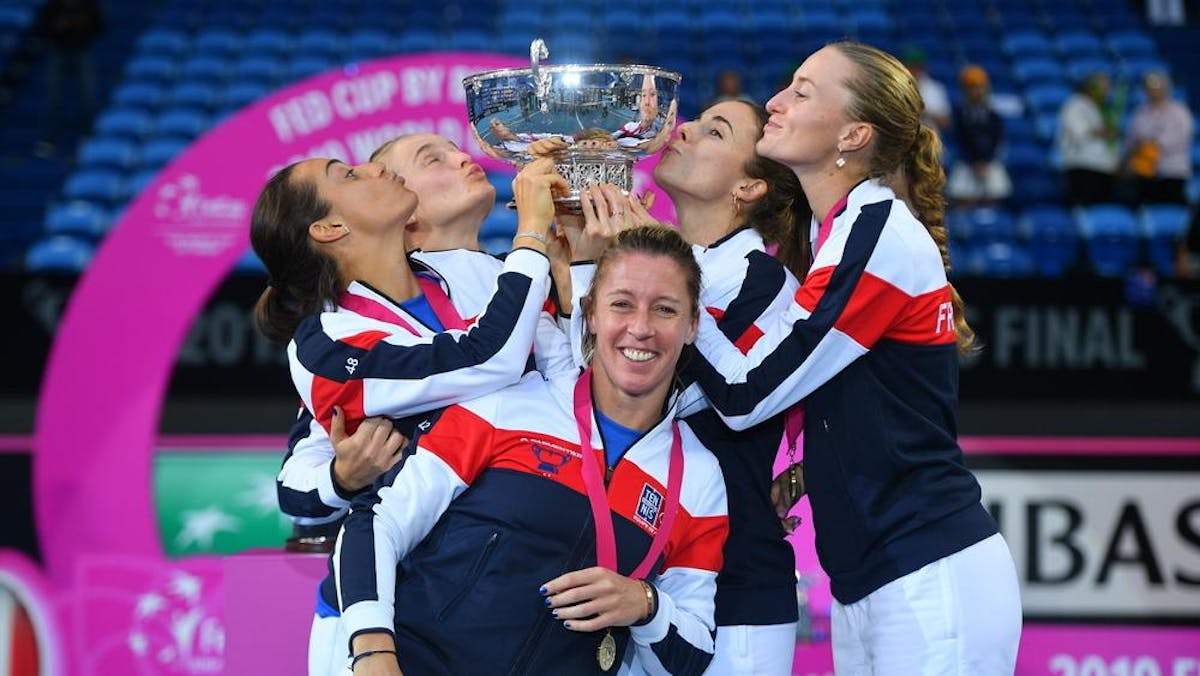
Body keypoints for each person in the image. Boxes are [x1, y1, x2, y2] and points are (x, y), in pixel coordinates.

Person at [681, 41, 1022, 673]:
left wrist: (668, 297)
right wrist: (821, 461)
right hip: (872, 579)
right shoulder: (840, 230)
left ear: (855, 133)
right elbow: (879, 390)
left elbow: (747, 394)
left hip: (926, 574)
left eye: (804, 91)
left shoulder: (876, 230)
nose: (777, 101)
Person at [335, 225, 729, 675]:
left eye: (664, 309)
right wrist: (373, 651)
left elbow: (691, 656)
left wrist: (647, 605)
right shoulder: (507, 406)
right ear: (591, 314)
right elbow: (376, 523)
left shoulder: (699, 476)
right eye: (621, 304)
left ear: (692, 325)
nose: (640, 328)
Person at [274, 139, 575, 537]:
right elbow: (488, 356)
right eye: (433, 160)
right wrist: (341, 477)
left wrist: (573, 280)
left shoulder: (502, 275)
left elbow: (574, 392)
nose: (464, 158)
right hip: (432, 555)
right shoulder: (335, 335)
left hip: (540, 519)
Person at [33, 0, 104, 156]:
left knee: (88, 95)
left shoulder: (88, 5)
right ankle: (49, 139)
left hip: (82, 50)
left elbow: (101, 27)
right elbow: (40, 29)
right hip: (57, 51)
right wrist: (57, 27)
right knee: (52, 97)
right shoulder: (53, 6)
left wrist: (83, 27)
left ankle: (88, 135)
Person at [1123, 71, 1195, 206]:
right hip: (1145, 173)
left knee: (1173, 210)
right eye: (1150, 89)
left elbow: (1182, 138)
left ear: (1166, 88)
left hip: (1172, 171)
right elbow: (1132, 140)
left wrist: (1153, 145)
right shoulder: (1141, 113)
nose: (1154, 92)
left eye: (1158, 88)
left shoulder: (1179, 111)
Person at [947, 65, 1012, 206]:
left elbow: (997, 141)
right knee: (962, 196)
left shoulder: (993, 116)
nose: (976, 92)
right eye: (972, 88)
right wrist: (974, 162)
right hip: (967, 162)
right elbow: (959, 140)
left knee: (996, 192)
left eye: (979, 87)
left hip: (989, 161)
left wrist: (985, 162)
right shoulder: (960, 115)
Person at [1058, 71, 1120, 205]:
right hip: (1083, 167)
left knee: (1103, 211)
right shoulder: (1075, 105)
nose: (1106, 91)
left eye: (1108, 87)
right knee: (1085, 209)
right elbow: (1079, 132)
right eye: (1103, 87)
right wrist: (1103, 132)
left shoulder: (1102, 109)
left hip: (1104, 168)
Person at [900, 45, 950, 131]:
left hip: (930, 140)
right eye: (911, 66)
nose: (914, 70)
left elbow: (946, 122)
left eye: (917, 66)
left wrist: (924, 113)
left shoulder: (935, 89)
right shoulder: (898, 87)